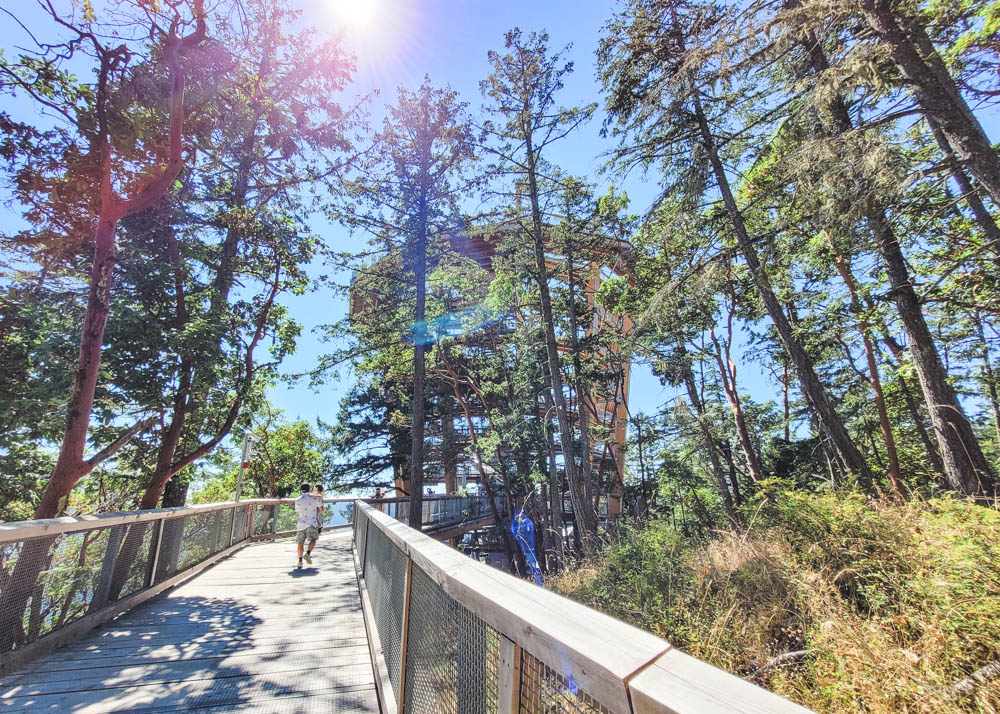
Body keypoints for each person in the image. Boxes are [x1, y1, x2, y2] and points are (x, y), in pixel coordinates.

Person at [294, 482, 321, 568]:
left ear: (301, 489)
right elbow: (322, 509)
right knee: (313, 539)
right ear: (309, 489)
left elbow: (297, 514)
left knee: (300, 543)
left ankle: (300, 562)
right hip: (311, 523)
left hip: (301, 524)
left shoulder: (297, 499)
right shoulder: (315, 498)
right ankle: (308, 553)